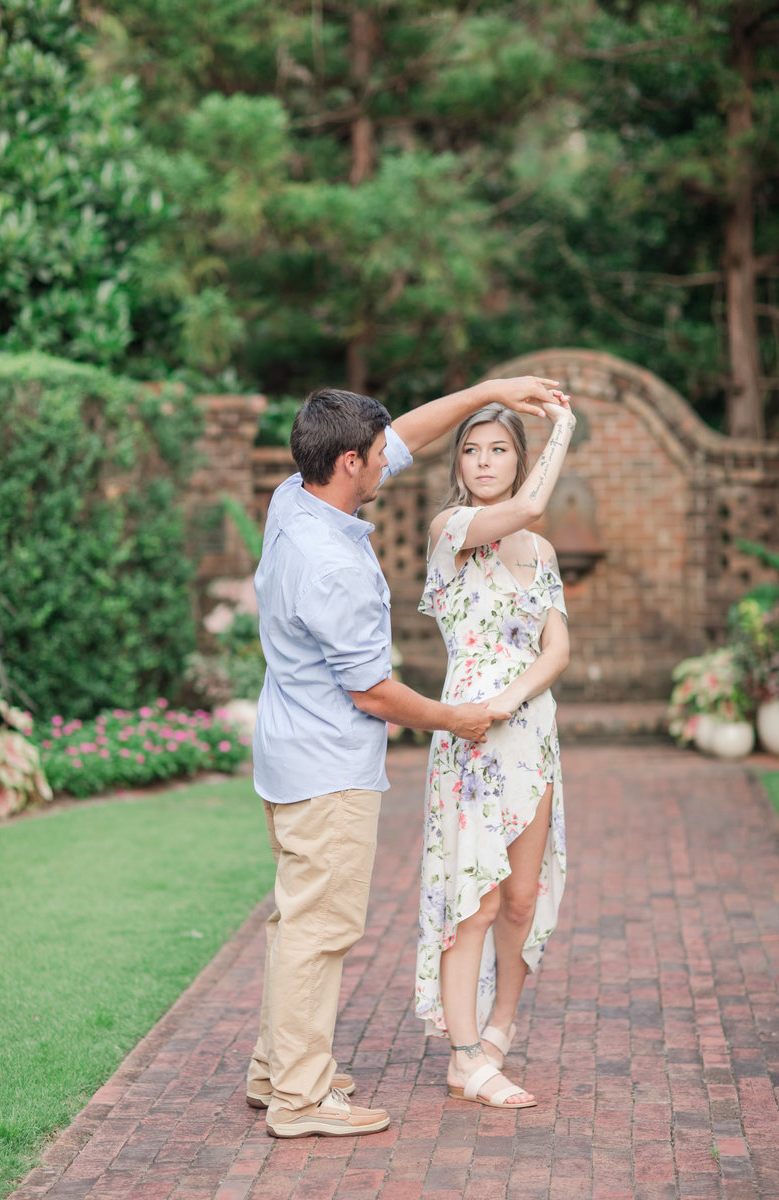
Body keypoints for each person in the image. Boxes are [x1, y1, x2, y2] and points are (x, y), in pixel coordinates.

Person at [245, 376, 570, 1139]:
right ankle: (299, 1099)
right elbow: (376, 695)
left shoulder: (296, 497)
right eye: (380, 451)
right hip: (327, 764)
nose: (394, 456)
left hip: (290, 750)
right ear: (353, 461)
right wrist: (458, 718)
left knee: (297, 922)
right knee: (319, 929)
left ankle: (277, 1070)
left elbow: (411, 434)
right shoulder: (336, 567)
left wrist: (493, 389)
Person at [415, 398, 575, 1110]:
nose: (484, 461)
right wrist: (564, 429)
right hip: (471, 737)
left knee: (519, 897)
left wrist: (516, 700)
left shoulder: (538, 556)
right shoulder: (450, 530)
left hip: (529, 733)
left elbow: (558, 647)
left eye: (499, 450)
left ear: (518, 457)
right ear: (458, 462)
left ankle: (500, 1027)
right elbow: (529, 510)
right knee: (473, 902)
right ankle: (462, 1058)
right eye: (472, 450)